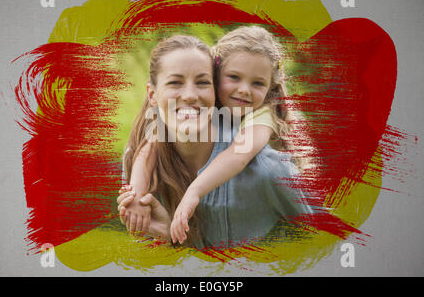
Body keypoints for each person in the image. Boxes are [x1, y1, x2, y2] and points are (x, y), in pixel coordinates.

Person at [117, 31, 313, 249]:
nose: (244, 90)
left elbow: (240, 154)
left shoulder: (267, 152)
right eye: (234, 78)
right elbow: (149, 144)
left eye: (202, 82)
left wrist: (194, 191)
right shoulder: (146, 159)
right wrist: (137, 196)